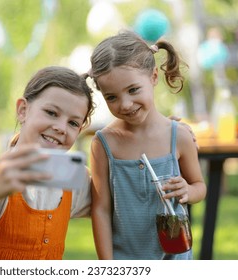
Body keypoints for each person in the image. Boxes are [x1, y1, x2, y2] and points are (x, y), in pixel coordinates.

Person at [87, 30, 207, 260]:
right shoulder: (103, 144)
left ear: (153, 77)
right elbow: (101, 210)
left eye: (133, 90)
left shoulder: (178, 136)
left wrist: (188, 191)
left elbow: (199, 186)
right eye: (111, 97)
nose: (125, 104)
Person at [0, 66, 95, 260]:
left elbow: (117, 203)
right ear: (23, 110)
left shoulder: (73, 181)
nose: (60, 128)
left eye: (73, 123)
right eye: (51, 113)